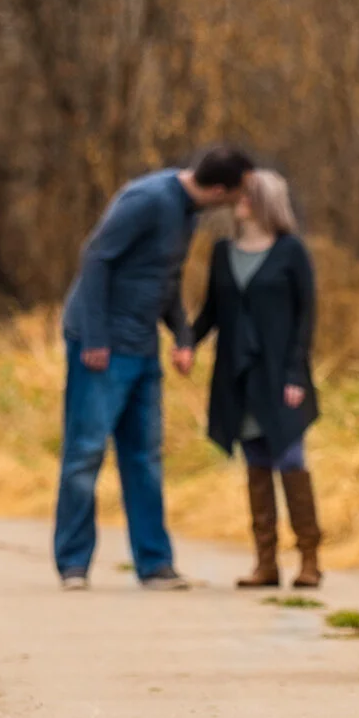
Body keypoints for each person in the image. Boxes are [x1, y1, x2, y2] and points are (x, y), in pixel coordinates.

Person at [54, 146, 254, 591]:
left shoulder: (185, 212)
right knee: (85, 453)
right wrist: (94, 337)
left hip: (142, 346)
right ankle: (72, 564)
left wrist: (182, 337)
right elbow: (96, 257)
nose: (239, 201)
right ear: (220, 190)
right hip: (101, 346)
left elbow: (164, 280)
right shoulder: (146, 199)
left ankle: (155, 564)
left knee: (144, 456)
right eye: (238, 192)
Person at [190, 169, 322, 589]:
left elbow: (305, 319)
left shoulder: (291, 252)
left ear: (265, 200)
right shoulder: (222, 251)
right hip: (237, 376)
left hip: (281, 376)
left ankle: (309, 559)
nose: (238, 202)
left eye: (247, 196)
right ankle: (266, 564)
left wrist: (295, 375)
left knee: (290, 459)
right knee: (256, 464)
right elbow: (211, 311)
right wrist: (185, 342)